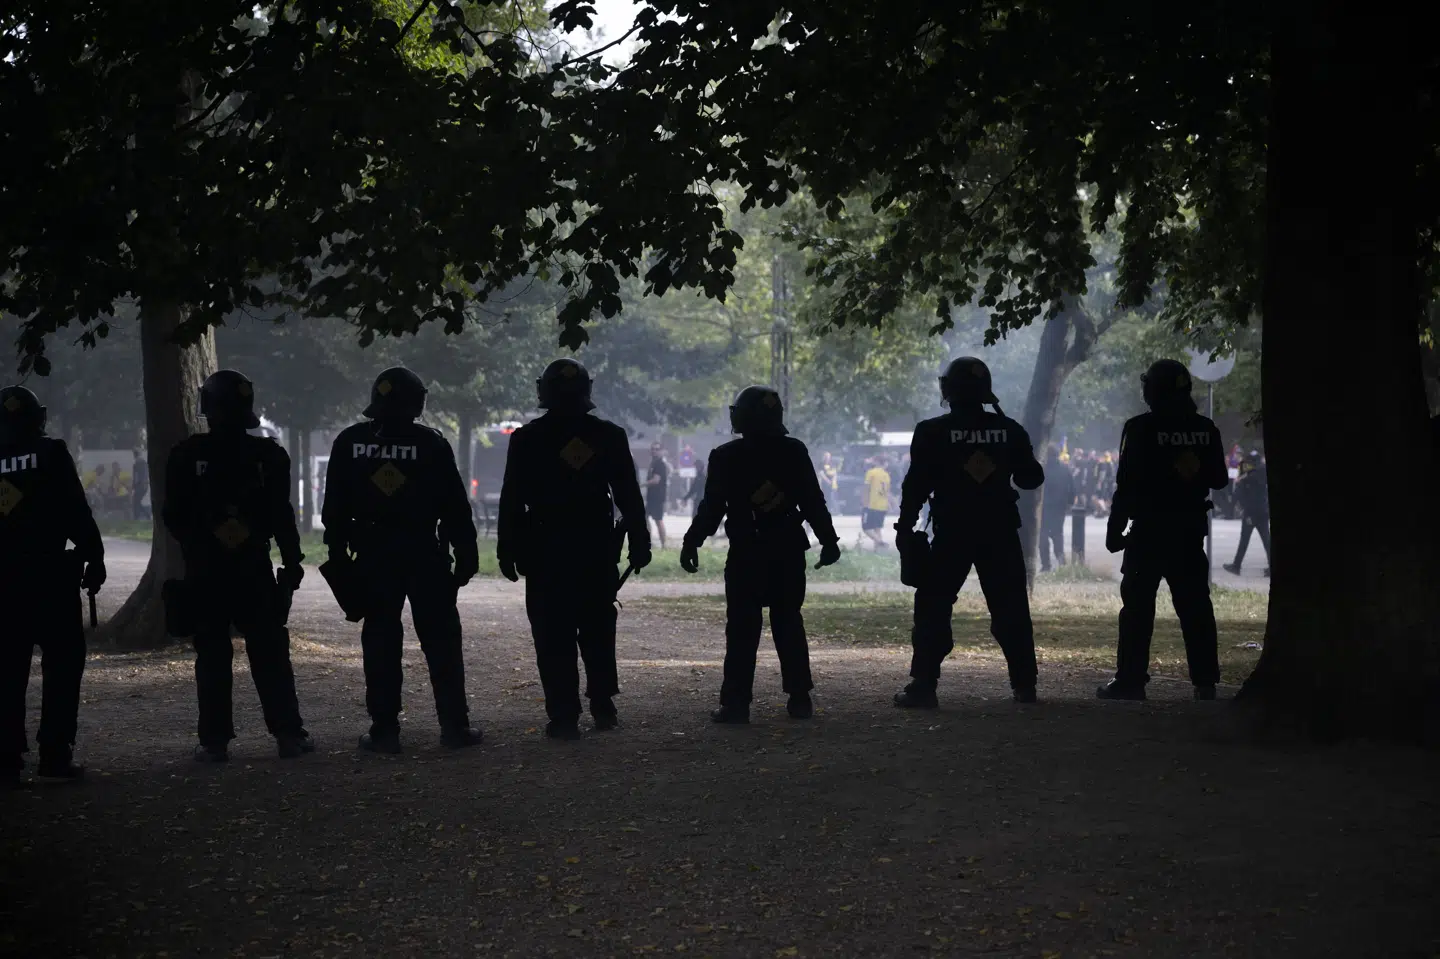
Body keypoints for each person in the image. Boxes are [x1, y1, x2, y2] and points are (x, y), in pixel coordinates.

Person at [321, 368, 483, 753]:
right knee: (441, 641)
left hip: (374, 555)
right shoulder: (431, 444)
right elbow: (455, 508)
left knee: (379, 641)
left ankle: (384, 730)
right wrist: (466, 552)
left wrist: (337, 552)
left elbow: (334, 508)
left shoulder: (349, 442)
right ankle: (454, 728)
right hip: (422, 552)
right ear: (417, 403)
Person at [497, 358, 652, 739]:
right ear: (588, 391)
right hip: (595, 549)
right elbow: (628, 495)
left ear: (543, 392)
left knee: (553, 636)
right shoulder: (609, 436)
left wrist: (507, 548)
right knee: (598, 629)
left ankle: (564, 715)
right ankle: (602, 704)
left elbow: (512, 500)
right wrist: (639, 541)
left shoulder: (528, 438)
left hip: (546, 550)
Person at [163, 370, 311, 762]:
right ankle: (288, 734)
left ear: (207, 409)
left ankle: (214, 742)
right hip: (252, 567)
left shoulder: (185, 455)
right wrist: (292, 561)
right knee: (270, 653)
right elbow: (282, 516)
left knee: (212, 654)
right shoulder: (268, 455)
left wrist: (203, 540)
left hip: (206, 569)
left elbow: (173, 517)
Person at [681, 386, 841, 723]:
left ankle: (736, 705)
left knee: (741, 630)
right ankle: (800, 699)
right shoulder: (794, 451)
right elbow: (813, 500)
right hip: (787, 550)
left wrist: (692, 541)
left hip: (747, 553)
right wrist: (828, 540)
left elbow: (712, 509)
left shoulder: (726, 456)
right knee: (789, 624)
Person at [893, 357, 1045, 707]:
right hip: (1000, 531)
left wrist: (904, 526)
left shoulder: (932, 431)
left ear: (948, 389)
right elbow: (1031, 478)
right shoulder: (1010, 429)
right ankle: (1025, 685)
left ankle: (923, 685)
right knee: (1011, 609)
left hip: (953, 532)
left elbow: (915, 485)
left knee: (932, 606)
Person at [1099, 359, 1229, 702]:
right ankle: (1205, 681)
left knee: (1137, 609)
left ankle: (1130, 680)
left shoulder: (1140, 427)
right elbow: (1219, 479)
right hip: (1188, 532)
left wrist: (1117, 530)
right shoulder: (1206, 428)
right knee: (1196, 607)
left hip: (1148, 533)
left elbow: (1125, 484)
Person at [0, 386, 105, 785]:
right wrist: (94, 557)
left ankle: (6, 760)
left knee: (5, 672)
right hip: (48, 579)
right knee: (62, 668)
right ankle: (54, 755)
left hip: (3, 584)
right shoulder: (50, 453)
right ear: (36, 419)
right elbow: (75, 509)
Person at [1223, 450, 1270, 576]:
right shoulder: (1263, 473)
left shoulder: (1247, 478)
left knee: (1244, 540)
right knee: (1267, 541)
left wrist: (1240, 481)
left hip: (1251, 513)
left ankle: (1236, 566)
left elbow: (1239, 495)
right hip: (1263, 511)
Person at [1040, 444, 1074, 572]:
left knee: (1042, 536)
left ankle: (1046, 565)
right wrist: (1069, 503)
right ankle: (1061, 562)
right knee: (1057, 535)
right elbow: (1072, 488)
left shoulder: (1041, 469)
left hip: (1044, 507)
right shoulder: (1065, 469)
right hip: (1060, 508)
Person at [861, 455, 891, 548]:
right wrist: (889, 504)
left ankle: (880, 542)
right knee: (877, 528)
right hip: (883, 505)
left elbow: (866, 488)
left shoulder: (871, 472)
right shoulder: (886, 475)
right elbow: (887, 492)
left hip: (872, 504)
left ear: (876, 462)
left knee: (866, 528)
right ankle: (878, 552)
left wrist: (864, 502)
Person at [645, 443, 670, 548]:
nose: (654, 451)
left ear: (661, 451)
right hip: (651, 497)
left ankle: (664, 544)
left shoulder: (660, 464)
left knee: (658, 520)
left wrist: (641, 484)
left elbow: (656, 480)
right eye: (652, 449)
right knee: (645, 518)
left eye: (656, 449)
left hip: (658, 497)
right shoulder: (653, 463)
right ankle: (648, 542)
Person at [131, 451, 150, 521]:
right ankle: (145, 516)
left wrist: (133, 486)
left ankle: (138, 517)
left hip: (139, 485)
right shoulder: (144, 463)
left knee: (136, 502)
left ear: (134, 455)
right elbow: (146, 475)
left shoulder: (136, 464)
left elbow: (136, 477)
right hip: (144, 485)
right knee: (137, 501)